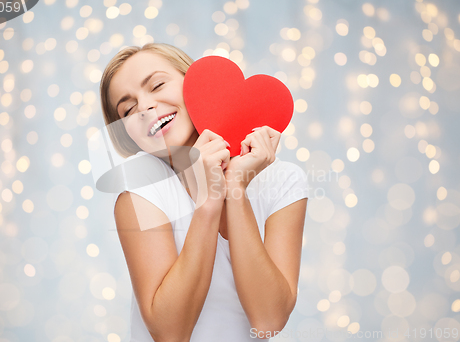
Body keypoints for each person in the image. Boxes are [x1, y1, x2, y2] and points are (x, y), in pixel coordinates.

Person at [99, 42, 309, 342]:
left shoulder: (284, 180)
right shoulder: (139, 192)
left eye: (157, 84)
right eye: (128, 109)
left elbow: (268, 321)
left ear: (195, 83)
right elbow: (170, 333)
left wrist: (235, 188)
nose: (144, 107)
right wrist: (208, 202)